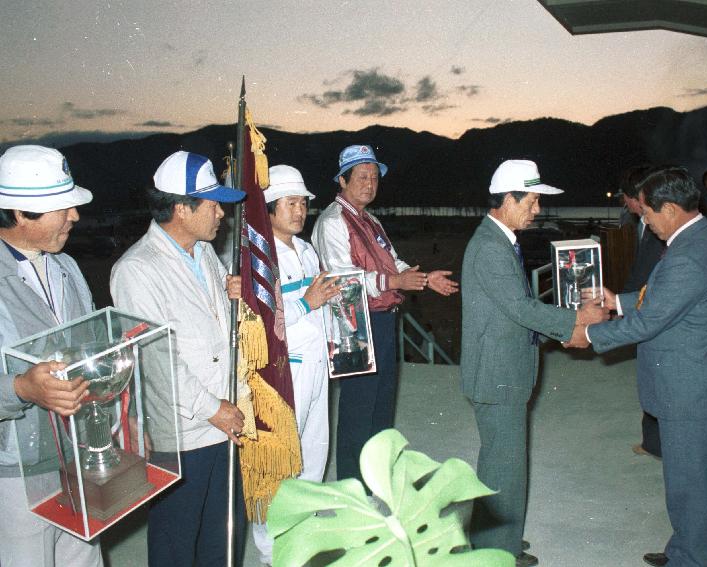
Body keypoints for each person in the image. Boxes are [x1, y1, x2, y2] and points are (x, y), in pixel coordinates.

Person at [570, 166, 707, 567]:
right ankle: (683, 550)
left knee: (692, 487)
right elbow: (668, 299)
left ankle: (692, 559)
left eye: (646, 213)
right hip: (694, 384)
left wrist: (590, 336)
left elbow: (654, 319)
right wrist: (619, 301)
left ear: (669, 209)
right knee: (687, 484)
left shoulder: (690, 254)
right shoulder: (700, 241)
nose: (644, 221)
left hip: (693, 390)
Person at [461, 159, 609, 567]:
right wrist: (576, 321)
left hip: (504, 371)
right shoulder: (491, 247)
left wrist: (563, 328)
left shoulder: (500, 240)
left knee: (506, 465)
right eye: (532, 201)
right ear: (508, 199)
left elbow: (514, 314)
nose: (537, 209)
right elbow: (520, 307)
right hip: (496, 376)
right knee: (501, 467)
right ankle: (494, 554)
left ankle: (501, 541)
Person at [110, 150, 248, 567]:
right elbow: (157, 362)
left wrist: (230, 297)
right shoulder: (137, 270)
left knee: (220, 540)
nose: (221, 213)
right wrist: (214, 409)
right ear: (182, 209)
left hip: (224, 420)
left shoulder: (203, 253)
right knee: (176, 543)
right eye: (212, 203)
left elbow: (214, 328)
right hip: (184, 433)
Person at [312, 144, 458, 483]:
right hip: (353, 322)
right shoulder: (332, 221)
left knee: (381, 408)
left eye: (374, 178)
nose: (369, 184)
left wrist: (422, 279)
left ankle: (376, 480)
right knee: (358, 410)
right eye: (362, 177)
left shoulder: (371, 220)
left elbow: (394, 262)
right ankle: (353, 488)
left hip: (383, 320)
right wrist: (395, 280)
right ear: (343, 180)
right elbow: (343, 279)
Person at [0, 145, 103, 567]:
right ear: (21, 214)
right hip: (18, 472)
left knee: (84, 557)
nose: (74, 217)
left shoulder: (67, 267)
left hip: (77, 454)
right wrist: (22, 388)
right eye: (63, 208)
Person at [251, 164, 340, 564]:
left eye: (304, 203)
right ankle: (272, 550)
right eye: (291, 203)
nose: (301, 211)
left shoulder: (305, 249)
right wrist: (307, 302)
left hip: (317, 362)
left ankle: (303, 529)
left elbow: (322, 303)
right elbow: (258, 317)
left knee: (314, 448)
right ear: (269, 208)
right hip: (283, 371)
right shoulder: (257, 254)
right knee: (278, 457)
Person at [618, 165, 665, 459]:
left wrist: (622, 305)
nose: (625, 204)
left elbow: (648, 275)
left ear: (637, 197)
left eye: (626, 197)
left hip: (649, 308)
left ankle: (656, 444)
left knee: (656, 377)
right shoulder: (643, 225)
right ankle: (652, 442)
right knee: (649, 376)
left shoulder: (658, 229)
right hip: (639, 303)